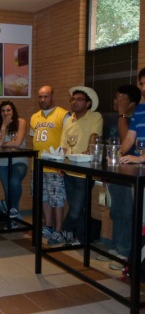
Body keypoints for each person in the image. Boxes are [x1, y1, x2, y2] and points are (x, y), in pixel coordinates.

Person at [96, 84, 141, 269]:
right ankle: (116, 247)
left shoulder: (132, 117)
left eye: (120, 98)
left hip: (131, 170)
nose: (115, 101)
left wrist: (122, 114)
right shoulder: (118, 117)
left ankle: (124, 252)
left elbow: (126, 141)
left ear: (130, 101)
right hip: (117, 168)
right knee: (116, 210)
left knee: (126, 211)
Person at [59, 86, 103, 245]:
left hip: (85, 171)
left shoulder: (95, 117)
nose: (74, 102)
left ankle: (64, 229)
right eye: (73, 99)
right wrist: (60, 163)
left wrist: (88, 149)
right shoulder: (69, 119)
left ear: (88, 103)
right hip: (69, 168)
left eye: (79, 99)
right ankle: (80, 238)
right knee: (78, 208)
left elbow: (95, 135)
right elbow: (63, 144)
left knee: (76, 210)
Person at [30, 85, 70, 245]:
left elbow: (68, 138)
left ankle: (59, 231)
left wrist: (63, 162)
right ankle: (49, 225)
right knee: (43, 197)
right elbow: (34, 138)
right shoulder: (34, 117)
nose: (42, 100)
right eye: (40, 96)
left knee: (57, 199)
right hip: (38, 165)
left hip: (55, 166)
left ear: (52, 97)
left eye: (45, 96)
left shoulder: (63, 115)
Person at [0, 100, 28, 228]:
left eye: (8, 110)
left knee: (14, 182)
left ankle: (14, 209)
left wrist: (4, 144)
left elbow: (17, 144)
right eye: (3, 111)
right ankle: (12, 219)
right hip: (2, 162)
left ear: (13, 111)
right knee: (7, 190)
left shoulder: (21, 122)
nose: (6, 113)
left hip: (19, 160)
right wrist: (3, 126)